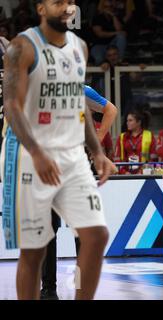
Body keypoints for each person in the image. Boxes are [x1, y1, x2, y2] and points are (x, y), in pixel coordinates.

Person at [1, 0, 112, 300]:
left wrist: (98, 151)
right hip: (29, 151)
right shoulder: (21, 47)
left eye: (70, 2)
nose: (66, 7)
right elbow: (11, 106)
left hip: (71, 152)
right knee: (35, 250)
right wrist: (37, 152)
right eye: (57, 2)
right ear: (41, 8)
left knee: (96, 235)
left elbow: (79, 103)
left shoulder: (80, 47)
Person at [39, 85, 118, 300]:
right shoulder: (38, 88)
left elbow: (111, 109)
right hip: (49, 166)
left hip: (78, 165)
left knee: (85, 232)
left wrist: (98, 144)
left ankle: (81, 290)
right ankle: (48, 289)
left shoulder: (81, 89)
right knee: (48, 230)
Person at [115, 109, 157, 174]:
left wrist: (141, 172)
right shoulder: (122, 137)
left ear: (139, 122)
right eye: (127, 120)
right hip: (125, 175)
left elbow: (153, 159)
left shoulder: (149, 135)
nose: (127, 123)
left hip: (144, 174)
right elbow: (117, 159)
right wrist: (125, 172)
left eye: (130, 120)